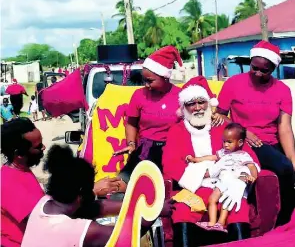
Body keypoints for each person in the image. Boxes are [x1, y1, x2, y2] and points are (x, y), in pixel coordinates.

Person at [162, 76, 261, 246]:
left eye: (202, 102)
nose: (198, 108)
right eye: (191, 104)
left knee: (238, 207)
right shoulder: (176, 131)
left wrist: (240, 181)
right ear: (184, 107)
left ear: (209, 104)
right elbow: (171, 165)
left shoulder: (225, 127)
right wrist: (208, 171)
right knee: (183, 210)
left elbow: (249, 157)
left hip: (228, 184)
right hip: (195, 188)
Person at [21, 144, 173, 247]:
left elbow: (95, 207)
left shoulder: (46, 203)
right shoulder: (79, 230)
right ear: (81, 194)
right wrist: (154, 211)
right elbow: (127, 236)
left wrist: (134, 205)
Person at [216, 41, 295, 226]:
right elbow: (219, 117)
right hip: (243, 143)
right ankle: (281, 223)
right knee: (283, 169)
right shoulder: (233, 83)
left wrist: (292, 159)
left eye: (264, 70)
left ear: (274, 68)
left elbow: (284, 127)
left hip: (270, 143)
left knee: (288, 168)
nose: (258, 73)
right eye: (254, 68)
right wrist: (243, 131)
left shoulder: (282, 90)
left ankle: (286, 223)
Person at [113, 46, 183, 189]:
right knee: (123, 185)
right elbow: (131, 123)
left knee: (169, 189)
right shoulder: (139, 95)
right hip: (145, 149)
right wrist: (131, 143)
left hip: (172, 150)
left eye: (150, 80)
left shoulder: (182, 96)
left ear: (165, 77)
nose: (146, 85)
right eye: (144, 80)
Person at [189, 123, 259, 233]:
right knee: (212, 199)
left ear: (240, 142)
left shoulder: (243, 155)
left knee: (227, 201)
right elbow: (211, 157)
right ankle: (212, 223)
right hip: (222, 181)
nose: (225, 144)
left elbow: (252, 166)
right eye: (224, 141)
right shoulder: (223, 152)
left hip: (233, 182)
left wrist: (253, 177)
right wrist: (196, 159)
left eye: (229, 142)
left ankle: (220, 223)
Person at [1, 118, 45, 246]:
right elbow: (43, 218)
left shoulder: (21, 169)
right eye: (38, 146)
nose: (44, 147)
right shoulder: (7, 183)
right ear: (19, 154)